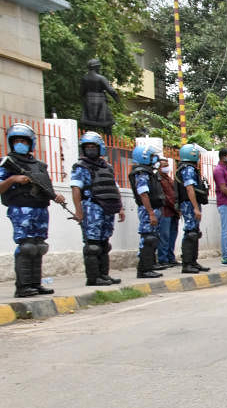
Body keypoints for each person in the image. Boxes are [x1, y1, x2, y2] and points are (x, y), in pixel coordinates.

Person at [0, 122, 69, 297]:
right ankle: (22, 287)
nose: (20, 143)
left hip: (40, 208)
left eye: (24, 140)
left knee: (39, 246)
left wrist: (56, 196)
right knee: (27, 247)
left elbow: (45, 186)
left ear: (31, 142)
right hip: (21, 208)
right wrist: (14, 179)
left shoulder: (39, 165)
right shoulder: (7, 163)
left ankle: (35, 284)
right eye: (17, 140)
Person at [69, 130, 125, 286]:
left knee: (104, 244)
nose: (90, 149)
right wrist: (79, 210)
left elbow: (114, 187)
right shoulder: (80, 167)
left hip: (107, 208)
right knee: (92, 245)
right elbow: (76, 189)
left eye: (93, 146)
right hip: (91, 207)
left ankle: (104, 275)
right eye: (87, 147)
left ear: (100, 147)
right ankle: (93, 278)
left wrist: (120, 207)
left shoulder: (107, 166)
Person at [127, 143, 164, 279]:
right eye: (152, 156)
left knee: (152, 238)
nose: (154, 159)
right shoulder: (141, 173)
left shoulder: (148, 172)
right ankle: (144, 269)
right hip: (148, 210)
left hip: (153, 209)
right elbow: (143, 194)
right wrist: (150, 213)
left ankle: (149, 267)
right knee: (147, 238)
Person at [175, 143, 212, 274]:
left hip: (191, 203)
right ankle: (187, 264)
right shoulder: (188, 169)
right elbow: (189, 188)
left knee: (195, 232)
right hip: (189, 204)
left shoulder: (188, 168)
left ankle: (193, 262)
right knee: (190, 233)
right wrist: (196, 207)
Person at [156, 157, 180, 268]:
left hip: (174, 212)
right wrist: (175, 207)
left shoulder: (169, 179)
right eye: (164, 166)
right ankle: (163, 259)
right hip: (165, 211)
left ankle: (171, 258)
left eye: (167, 165)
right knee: (164, 236)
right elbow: (166, 197)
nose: (166, 168)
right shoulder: (158, 180)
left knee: (172, 236)